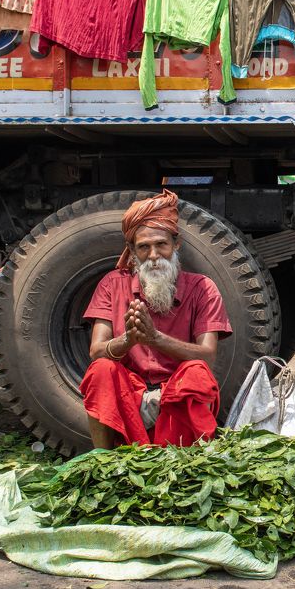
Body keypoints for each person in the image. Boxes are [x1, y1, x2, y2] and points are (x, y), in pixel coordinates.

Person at [79, 189, 232, 448]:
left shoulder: (203, 288)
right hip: (132, 390)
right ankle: (102, 459)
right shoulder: (112, 285)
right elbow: (97, 351)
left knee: (197, 374)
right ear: (132, 250)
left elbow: (207, 356)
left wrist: (155, 339)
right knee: (101, 370)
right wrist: (128, 340)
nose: (153, 255)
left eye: (161, 244)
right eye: (143, 247)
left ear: (176, 244)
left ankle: (182, 459)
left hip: (176, 389)